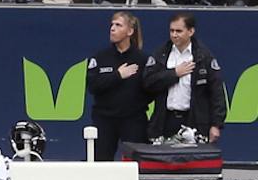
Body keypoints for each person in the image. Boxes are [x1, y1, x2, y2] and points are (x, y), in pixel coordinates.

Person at [140, 11, 226, 141]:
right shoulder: (161, 54)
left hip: (194, 121)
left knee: (192, 161)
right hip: (165, 120)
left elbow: (217, 93)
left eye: (179, 31)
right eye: (172, 31)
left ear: (191, 31)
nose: (174, 35)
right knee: (163, 160)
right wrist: (174, 73)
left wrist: (216, 125)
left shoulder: (204, 57)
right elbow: (148, 82)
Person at [86, 11, 152, 160]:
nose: (112, 28)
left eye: (118, 25)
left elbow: (151, 89)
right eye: (112, 24)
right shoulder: (100, 58)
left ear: (130, 31)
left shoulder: (143, 59)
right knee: (100, 163)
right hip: (104, 120)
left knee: (136, 164)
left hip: (133, 120)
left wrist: (135, 105)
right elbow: (93, 86)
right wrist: (118, 76)